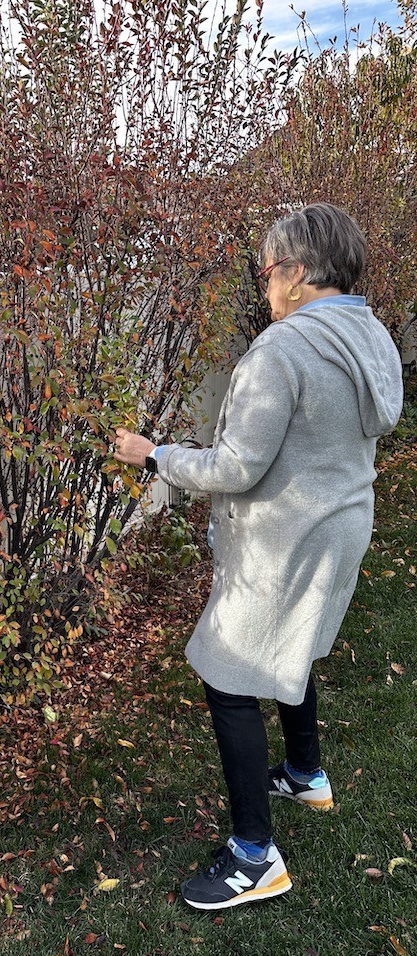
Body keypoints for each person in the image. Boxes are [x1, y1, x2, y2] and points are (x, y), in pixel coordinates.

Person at [114, 203, 404, 911]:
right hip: (336, 528)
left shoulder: (280, 350)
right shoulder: (370, 335)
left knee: (226, 672)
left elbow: (237, 465)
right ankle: (305, 773)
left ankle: (254, 856)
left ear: (298, 273)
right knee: (291, 647)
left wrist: (153, 454)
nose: (263, 285)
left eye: (267, 270)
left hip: (283, 542)